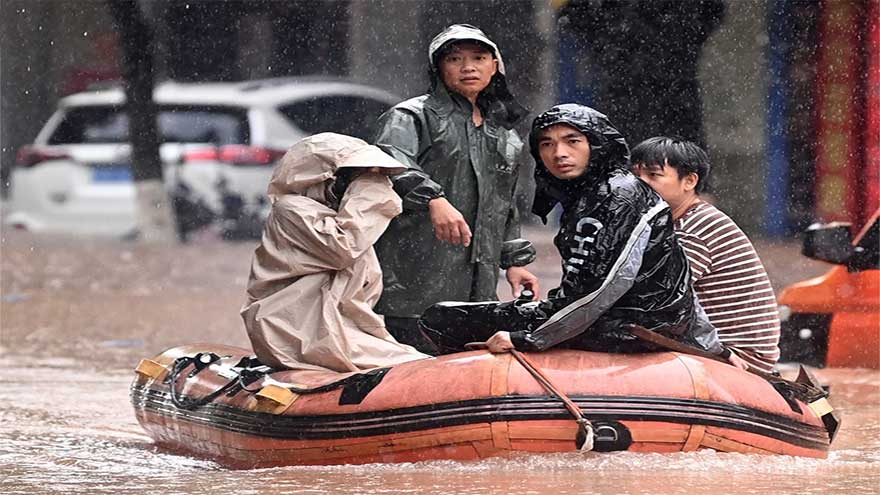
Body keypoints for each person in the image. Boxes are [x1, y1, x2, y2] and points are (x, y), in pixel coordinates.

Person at [420, 104, 743, 369]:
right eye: (546, 144)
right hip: (624, 319)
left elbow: (601, 288)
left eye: (572, 141)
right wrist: (714, 345)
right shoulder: (589, 195)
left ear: (596, 145)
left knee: (447, 321)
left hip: (633, 328)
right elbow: (677, 277)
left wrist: (527, 337)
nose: (558, 153)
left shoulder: (618, 195)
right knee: (451, 314)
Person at [372, 24, 539, 352]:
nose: (468, 67)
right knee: (413, 368)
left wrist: (514, 262)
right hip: (414, 279)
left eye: (478, 58)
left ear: (495, 66)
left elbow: (503, 205)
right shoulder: (411, 116)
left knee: (469, 367)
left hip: (479, 289)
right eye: (455, 59)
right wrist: (434, 199)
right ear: (438, 68)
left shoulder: (503, 133)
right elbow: (389, 160)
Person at [241, 133, 429, 372]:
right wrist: (370, 193)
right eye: (355, 175)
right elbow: (343, 248)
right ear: (322, 176)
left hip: (336, 329)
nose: (369, 180)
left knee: (425, 366)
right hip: (298, 333)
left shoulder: (339, 216)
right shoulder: (292, 210)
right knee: (417, 369)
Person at [631, 136, 780, 372]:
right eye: (636, 175)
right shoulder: (674, 221)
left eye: (653, 175)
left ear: (689, 181)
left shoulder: (692, 230)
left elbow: (658, 299)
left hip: (737, 356)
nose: (639, 184)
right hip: (713, 345)